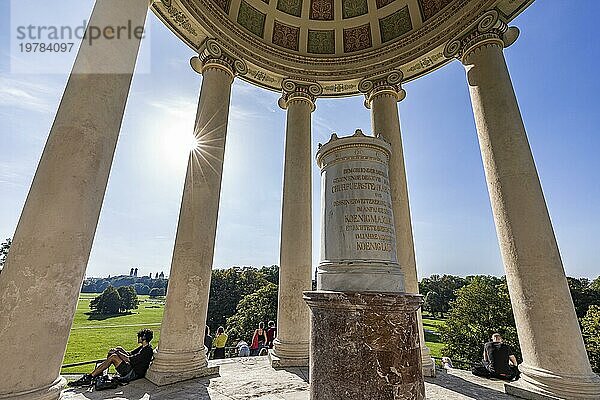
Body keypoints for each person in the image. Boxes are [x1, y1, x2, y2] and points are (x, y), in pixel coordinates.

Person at [68, 329, 154, 386]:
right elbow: (129, 354)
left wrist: (117, 352)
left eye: (139, 336)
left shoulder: (147, 350)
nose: (138, 338)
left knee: (113, 357)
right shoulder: (143, 347)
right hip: (132, 367)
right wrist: (119, 349)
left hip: (133, 373)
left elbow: (129, 359)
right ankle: (98, 373)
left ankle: (90, 377)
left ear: (143, 338)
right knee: (116, 350)